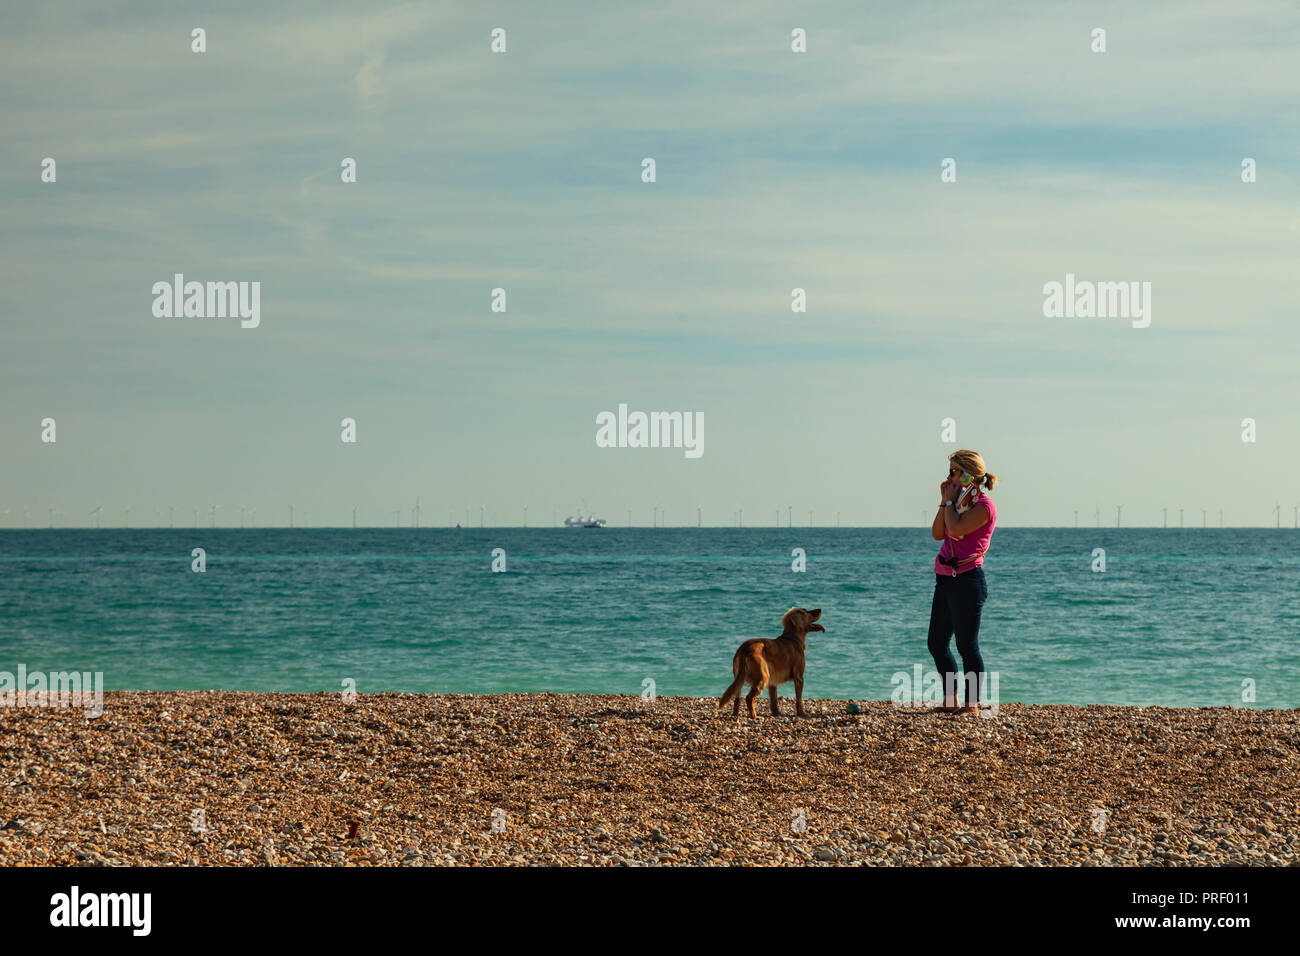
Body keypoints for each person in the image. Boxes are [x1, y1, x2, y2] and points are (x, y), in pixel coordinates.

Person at [928, 449, 997, 715]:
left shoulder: (983, 507)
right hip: (945, 578)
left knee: (966, 645)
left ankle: (972, 704)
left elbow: (955, 530)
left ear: (966, 476)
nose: (948, 477)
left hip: (968, 581)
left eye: (953, 472)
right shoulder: (955, 504)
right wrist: (945, 501)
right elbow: (938, 533)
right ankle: (950, 700)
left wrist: (948, 504)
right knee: (936, 642)